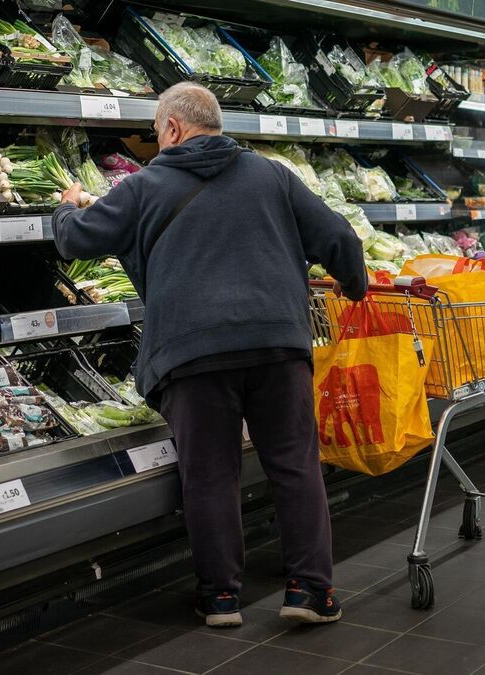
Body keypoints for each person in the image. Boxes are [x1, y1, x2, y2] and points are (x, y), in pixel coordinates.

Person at [52, 82, 368, 627]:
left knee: (210, 475)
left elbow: (76, 240)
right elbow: (339, 237)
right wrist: (354, 284)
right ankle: (310, 591)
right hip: (276, 345)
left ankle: (221, 597)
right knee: (294, 464)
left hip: (192, 353)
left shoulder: (143, 185)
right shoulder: (272, 175)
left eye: (157, 131)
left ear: (173, 128)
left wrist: (65, 208)